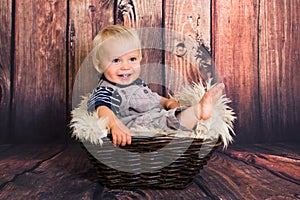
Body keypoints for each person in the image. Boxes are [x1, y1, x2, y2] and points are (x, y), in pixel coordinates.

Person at [87, 25, 224, 147]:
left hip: (155, 115)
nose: (126, 66)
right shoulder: (107, 89)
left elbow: (153, 98)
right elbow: (102, 108)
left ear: (140, 59)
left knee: (173, 114)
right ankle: (197, 112)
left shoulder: (136, 82)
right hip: (141, 126)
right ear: (99, 65)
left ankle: (193, 113)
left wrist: (168, 102)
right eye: (116, 60)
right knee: (169, 121)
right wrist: (114, 125)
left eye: (132, 59)